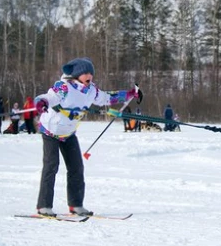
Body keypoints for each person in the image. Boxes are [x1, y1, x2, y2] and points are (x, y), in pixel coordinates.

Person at [34, 57, 143, 217]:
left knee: (76, 167)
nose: (89, 76)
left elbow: (108, 98)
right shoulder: (63, 87)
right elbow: (48, 97)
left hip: (69, 133)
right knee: (51, 165)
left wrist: (129, 94)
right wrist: (41, 102)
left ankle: (76, 205)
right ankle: (44, 206)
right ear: (76, 74)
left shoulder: (91, 90)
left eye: (91, 73)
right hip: (51, 130)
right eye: (86, 73)